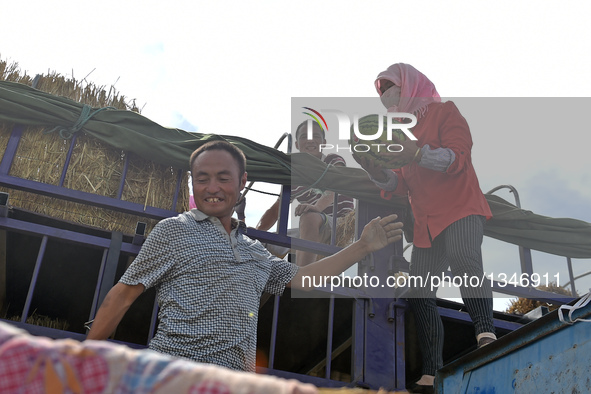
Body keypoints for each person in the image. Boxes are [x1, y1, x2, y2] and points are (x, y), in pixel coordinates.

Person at [87, 140, 403, 373]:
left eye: (223, 178)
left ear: (241, 183)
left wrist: (361, 246)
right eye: (202, 178)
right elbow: (122, 296)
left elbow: (305, 280)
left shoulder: (255, 251)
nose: (212, 187)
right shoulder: (174, 230)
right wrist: (83, 356)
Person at [356, 63, 495, 393]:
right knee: (418, 291)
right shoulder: (398, 133)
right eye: (382, 92)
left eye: (392, 88)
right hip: (426, 222)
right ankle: (433, 370)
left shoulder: (445, 112)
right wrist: (374, 169)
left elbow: (457, 157)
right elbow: (399, 184)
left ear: (411, 85)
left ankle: (486, 333)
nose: (387, 96)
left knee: (464, 260)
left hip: (461, 207)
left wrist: (417, 153)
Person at [257, 121, 354, 266]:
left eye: (315, 136)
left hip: (338, 226)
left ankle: (303, 277)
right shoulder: (294, 177)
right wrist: (258, 231)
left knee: (309, 217)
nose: (310, 140)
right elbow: (276, 209)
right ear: (296, 144)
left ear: (324, 143)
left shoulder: (331, 160)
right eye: (304, 137)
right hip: (312, 228)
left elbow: (333, 188)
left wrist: (316, 208)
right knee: (262, 242)